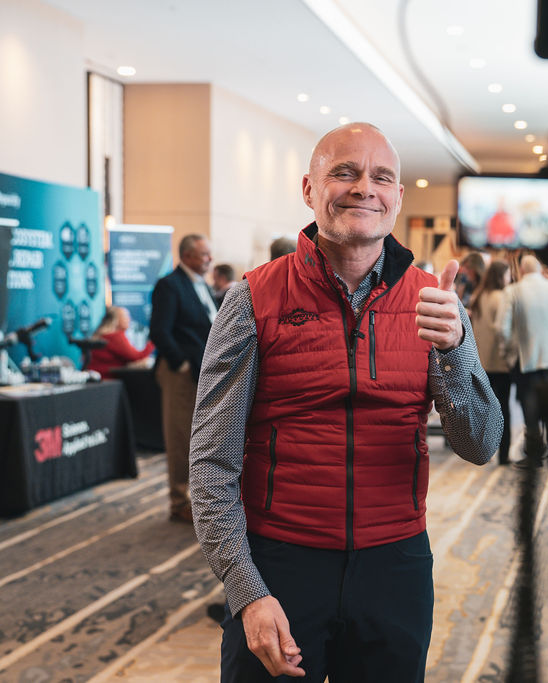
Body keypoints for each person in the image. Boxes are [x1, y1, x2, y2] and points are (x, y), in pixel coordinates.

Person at [189, 122, 502, 682]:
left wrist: (454, 351)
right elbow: (212, 463)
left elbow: (480, 444)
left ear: (397, 197)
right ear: (309, 189)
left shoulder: (435, 302)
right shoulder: (253, 298)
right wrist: (246, 590)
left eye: (381, 177)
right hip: (280, 562)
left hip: (395, 564)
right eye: (344, 172)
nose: (364, 188)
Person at [149, 234, 217, 524]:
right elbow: (159, 330)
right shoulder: (170, 285)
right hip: (181, 373)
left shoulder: (202, 284)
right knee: (180, 436)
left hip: (205, 372)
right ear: (187, 256)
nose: (210, 259)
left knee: (201, 438)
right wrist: (181, 364)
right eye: (204, 255)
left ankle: (199, 500)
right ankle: (179, 501)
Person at [498, 253, 548, 467]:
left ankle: (534, 455)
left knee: (529, 407)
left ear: (522, 270)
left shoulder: (513, 291)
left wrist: (508, 354)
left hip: (525, 358)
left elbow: (502, 328)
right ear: (541, 269)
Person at [469, 260, 514, 464]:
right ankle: (503, 455)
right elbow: (504, 330)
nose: (509, 278)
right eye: (507, 274)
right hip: (500, 362)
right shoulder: (501, 297)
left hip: (482, 363)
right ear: (500, 276)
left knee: (484, 410)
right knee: (503, 409)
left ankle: (483, 451)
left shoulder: (478, 296)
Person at [84, 306, 155, 379]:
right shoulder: (114, 336)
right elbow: (136, 357)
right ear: (116, 320)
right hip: (107, 378)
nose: (129, 319)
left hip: (96, 377)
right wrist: (154, 340)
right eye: (126, 316)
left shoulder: (102, 334)